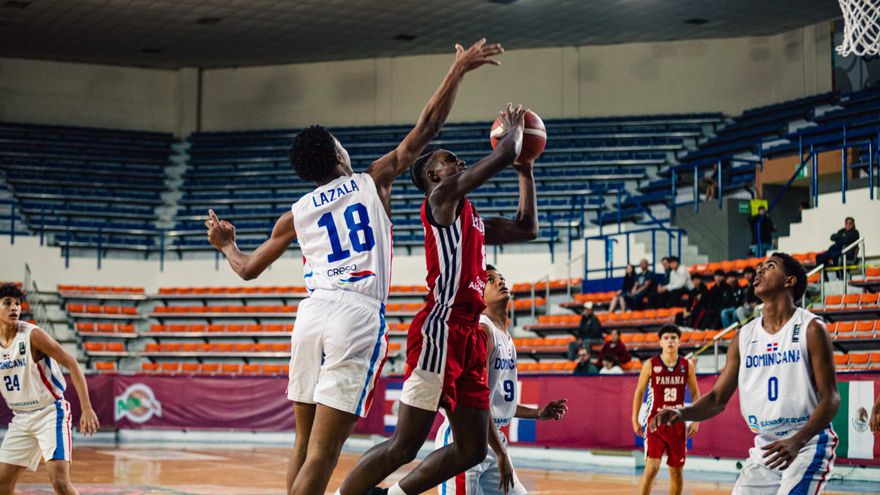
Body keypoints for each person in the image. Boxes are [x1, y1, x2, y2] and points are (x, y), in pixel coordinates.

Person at [206, 38, 505, 495]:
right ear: (337, 155)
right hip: (355, 314)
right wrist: (458, 70)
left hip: (311, 315)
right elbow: (428, 126)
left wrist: (227, 245)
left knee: (303, 444)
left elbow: (246, 269)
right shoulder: (372, 179)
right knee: (324, 454)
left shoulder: (295, 214)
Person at [337, 103, 537, 495]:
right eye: (450, 160)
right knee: (405, 445)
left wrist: (525, 169)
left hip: (469, 335)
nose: (459, 162)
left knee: (472, 449)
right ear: (433, 176)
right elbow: (504, 153)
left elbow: (526, 228)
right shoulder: (440, 198)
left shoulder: (472, 218)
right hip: (440, 331)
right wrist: (516, 132)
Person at [653, 253, 840, 495]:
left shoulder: (811, 328)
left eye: (770, 266)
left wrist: (798, 440)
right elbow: (717, 398)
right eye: (759, 267)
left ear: (789, 281)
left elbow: (831, 399)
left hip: (808, 442)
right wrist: (681, 412)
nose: (759, 271)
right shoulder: (743, 336)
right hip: (766, 447)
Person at [435, 265, 567, 495]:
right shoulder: (483, 332)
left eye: (501, 278)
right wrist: (501, 453)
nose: (500, 281)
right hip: (464, 437)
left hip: (491, 436)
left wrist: (538, 413)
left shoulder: (505, 336)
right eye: (490, 279)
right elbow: (477, 402)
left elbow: (497, 404)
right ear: (479, 294)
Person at [0, 284, 100, 495]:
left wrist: (87, 407)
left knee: (60, 483)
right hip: (21, 417)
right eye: (7, 303)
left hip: (50, 413)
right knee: (2, 484)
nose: (14, 308)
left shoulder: (32, 335)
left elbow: (71, 363)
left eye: (17, 303)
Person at [632, 324, 701, 495]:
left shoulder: (687, 365)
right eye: (666, 338)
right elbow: (639, 392)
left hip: (677, 423)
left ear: (679, 342)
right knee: (652, 468)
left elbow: (695, 393)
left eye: (673, 338)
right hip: (656, 423)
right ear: (660, 343)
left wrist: (696, 421)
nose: (670, 341)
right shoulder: (650, 364)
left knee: (676, 473)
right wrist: (634, 419)